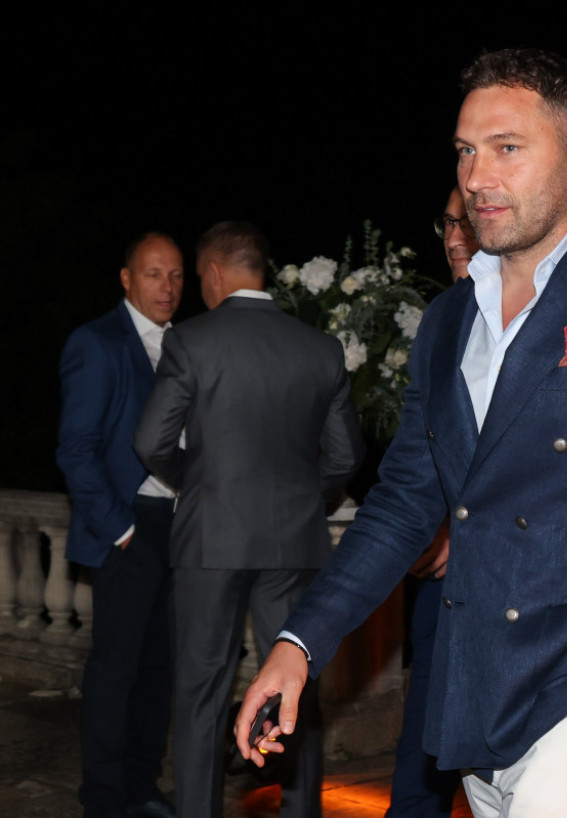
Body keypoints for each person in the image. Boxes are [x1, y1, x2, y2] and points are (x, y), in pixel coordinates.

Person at [236, 48, 567, 818]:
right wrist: (300, 642)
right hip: (482, 693)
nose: (477, 176)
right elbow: (403, 504)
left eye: (507, 147)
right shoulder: (449, 321)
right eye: (465, 151)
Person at [133, 221, 364, 818]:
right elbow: (345, 457)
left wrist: (199, 484)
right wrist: (300, 498)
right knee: (293, 688)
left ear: (213, 272)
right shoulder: (320, 348)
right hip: (292, 542)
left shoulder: (192, 341)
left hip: (211, 538)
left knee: (201, 692)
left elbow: (151, 441)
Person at [56, 232, 183, 818]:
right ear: (127, 279)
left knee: (159, 669)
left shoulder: (185, 343)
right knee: (115, 673)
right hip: (128, 526)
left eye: (176, 275)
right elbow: (75, 449)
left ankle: (142, 787)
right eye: (154, 274)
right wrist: (120, 529)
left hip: (178, 524)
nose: (167, 286)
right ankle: (104, 799)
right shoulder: (96, 342)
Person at [385, 190, 481, 818]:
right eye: (447, 222)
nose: (452, 237)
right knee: (425, 733)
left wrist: (459, 529)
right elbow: (420, 459)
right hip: (439, 584)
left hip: (519, 595)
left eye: (464, 222)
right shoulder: (443, 322)